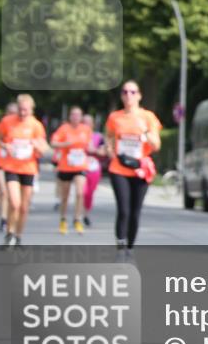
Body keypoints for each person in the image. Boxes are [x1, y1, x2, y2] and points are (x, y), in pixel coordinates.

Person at [105, 81, 161, 258]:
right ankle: (120, 248)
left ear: (139, 95)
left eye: (132, 92)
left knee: (135, 212)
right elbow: (109, 137)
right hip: (119, 168)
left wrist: (145, 133)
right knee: (123, 210)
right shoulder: (115, 117)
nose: (128, 95)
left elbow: (156, 145)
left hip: (140, 169)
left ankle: (130, 247)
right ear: (121, 96)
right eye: (125, 92)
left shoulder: (148, 117)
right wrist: (109, 150)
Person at [0, 94, 51, 247]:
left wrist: (38, 146)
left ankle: (18, 236)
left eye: (25, 110)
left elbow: (45, 149)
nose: (22, 113)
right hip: (11, 167)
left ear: (31, 110)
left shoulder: (36, 125)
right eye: (20, 109)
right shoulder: (7, 121)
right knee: (15, 203)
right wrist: (5, 146)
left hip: (28, 168)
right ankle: (9, 233)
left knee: (24, 207)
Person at [50, 106, 92, 234]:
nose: (75, 117)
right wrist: (65, 144)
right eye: (73, 114)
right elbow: (53, 143)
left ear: (81, 117)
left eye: (78, 115)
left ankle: (77, 219)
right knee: (65, 196)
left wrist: (97, 150)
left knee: (80, 192)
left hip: (80, 166)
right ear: (70, 116)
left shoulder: (86, 129)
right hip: (66, 166)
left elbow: (89, 146)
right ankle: (63, 219)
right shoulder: (64, 129)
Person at [0, 102, 20, 232]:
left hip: (15, 166)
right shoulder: (0, 126)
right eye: (10, 113)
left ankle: (10, 218)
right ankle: (3, 219)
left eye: (15, 113)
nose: (12, 115)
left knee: (12, 196)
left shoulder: (20, 127)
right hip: (0, 164)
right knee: (5, 192)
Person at [81, 114, 106, 227]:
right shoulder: (78, 135)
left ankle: (86, 214)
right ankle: (78, 215)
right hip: (81, 166)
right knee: (82, 191)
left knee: (89, 193)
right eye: (84, 122)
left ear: (92, 124)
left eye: (88, 123)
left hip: (94, 167)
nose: (86, 125)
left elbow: (103, 152)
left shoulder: (98, 137)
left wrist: (94, 150)